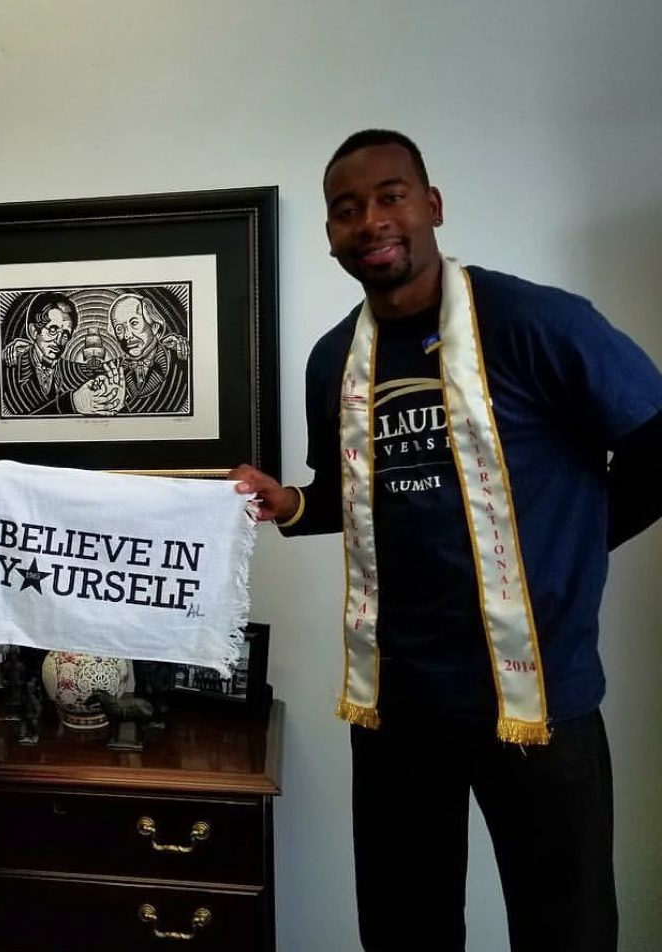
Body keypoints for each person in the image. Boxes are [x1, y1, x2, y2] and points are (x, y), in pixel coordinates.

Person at [231, 130, 662, 952]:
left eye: (390, 196)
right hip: (398, 701)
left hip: (538, 698)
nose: (370, 221)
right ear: (330, 236)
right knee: (404, 927)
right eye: (345, 210)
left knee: (565, 928)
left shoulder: (538, 322)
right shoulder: (335, 360)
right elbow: (356, 498)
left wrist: (576, 543)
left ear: (432, 206)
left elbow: (656, 443)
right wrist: (291, 502)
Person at [107, 292, 189, 414]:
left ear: (155, 326)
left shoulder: (179, 360)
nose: (127, 335)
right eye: (119, 328)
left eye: (134, 323)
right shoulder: (113, 372)